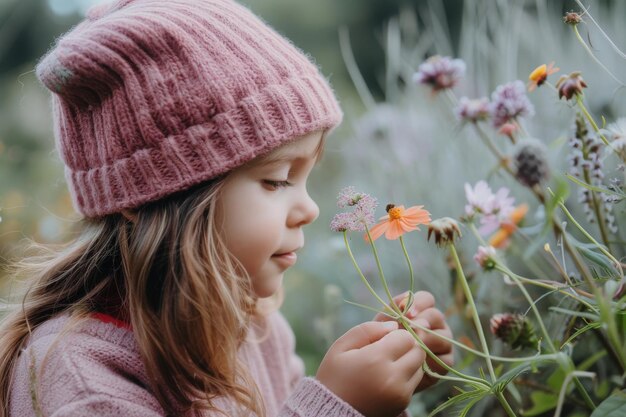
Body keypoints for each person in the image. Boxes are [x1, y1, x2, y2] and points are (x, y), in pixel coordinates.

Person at [0, 1, 453, 416]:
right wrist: (336, 406)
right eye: (276, 180)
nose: (310, 209)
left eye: (307, 177)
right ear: (147, 199)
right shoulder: (86, 383)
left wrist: (387, 381)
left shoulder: (253, 328)